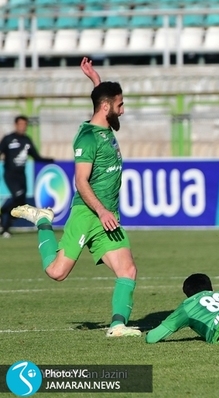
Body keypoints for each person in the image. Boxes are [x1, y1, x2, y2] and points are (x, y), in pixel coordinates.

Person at [11, 57, 141, 337]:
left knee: (128, 270)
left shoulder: (106, 125)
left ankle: (118, 325)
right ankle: (43, 222)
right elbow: (80, 181)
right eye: (119, 105)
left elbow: (103, 109)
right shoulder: (88, 139)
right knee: (57, 272)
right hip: (88, 213)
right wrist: (102, 211)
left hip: (108, 218)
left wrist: (96, 81)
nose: (123, 109)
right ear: (106, 107)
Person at [0, 115, 54, 237]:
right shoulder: (8, 139)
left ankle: (4, 225)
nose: (22, 127)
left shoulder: (27, 140)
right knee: (17, 196)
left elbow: (36, 156)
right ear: (16, 125)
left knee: (20, 202)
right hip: (10, 175)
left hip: (21, 176)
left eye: (24, 125)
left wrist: (50, 160)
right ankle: (4, 225)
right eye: (20, 124)